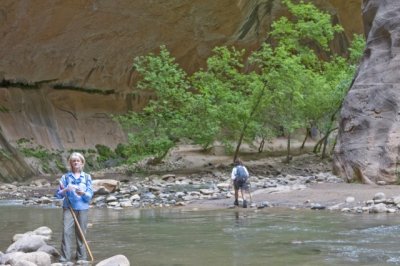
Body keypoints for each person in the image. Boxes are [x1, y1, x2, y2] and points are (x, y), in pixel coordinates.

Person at [55, 152, 93, 263]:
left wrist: (83, 194)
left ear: (82, 163)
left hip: (83, 208)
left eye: (78, 160)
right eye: (73, 161)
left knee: (81, 233)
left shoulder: (87, 177)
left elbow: (90, 195)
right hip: (68, 208)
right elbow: (58, 194)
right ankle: (64, 258)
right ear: (70, 163)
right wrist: (66, 189)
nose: (76, 162)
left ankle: (81, 258)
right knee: (66, 233)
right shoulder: (65, 177)